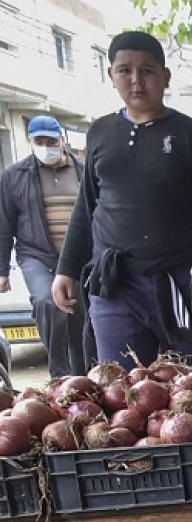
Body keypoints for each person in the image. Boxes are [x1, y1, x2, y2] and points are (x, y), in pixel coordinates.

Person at [53, 31, 192, 369]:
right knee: (119, 389)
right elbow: (88, 205)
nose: (135, 80)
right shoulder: (100, 133)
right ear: (110, 75)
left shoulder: (191, 135)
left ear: (165, 77)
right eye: (124, 70)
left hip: (179, 284)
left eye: (147, 71)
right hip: (114, 285)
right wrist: (67, 269)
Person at [0, 115, 91, 376]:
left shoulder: (83, 172)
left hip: (76, 257)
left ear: (62, 140)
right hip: (36, 255)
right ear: (30, 142)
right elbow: (4, 225)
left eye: (50, 141)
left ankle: (81, 377)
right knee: (46, 301)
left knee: (79, 314)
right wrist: (2, 271)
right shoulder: (14, 176)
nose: (45, 146)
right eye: (38, 141)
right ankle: (59, 375)